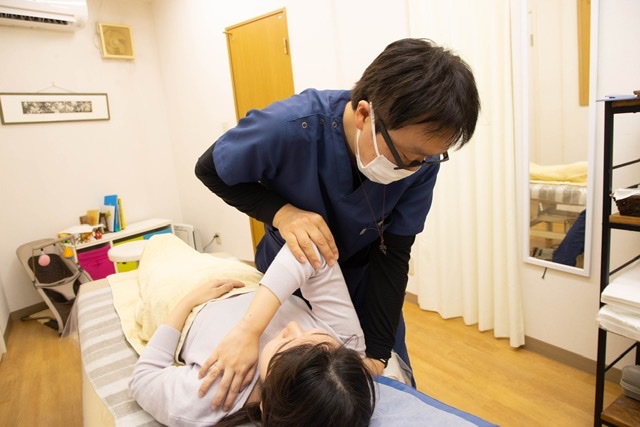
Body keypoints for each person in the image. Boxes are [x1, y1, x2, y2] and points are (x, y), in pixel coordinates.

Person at [195, 37, 480, 396]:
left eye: (428, 158)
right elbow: (210, 169)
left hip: (364, 280)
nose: (415, 169)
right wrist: (283, 213)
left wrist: (377, 353)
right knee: (296, 391)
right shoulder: (288, 126)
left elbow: (394, 252)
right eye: (408, 155)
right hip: (291, 273)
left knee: (389, 387)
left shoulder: (419, 161)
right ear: (364, 115)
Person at [130, 244, 375, 426]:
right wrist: (249, 328)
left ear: (265, 405)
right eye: (318, 339)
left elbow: (143, 378)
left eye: (287, 344)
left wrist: (186, 303)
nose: (292, 327)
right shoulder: (344, 343)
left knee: (158, 246)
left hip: (187, 295)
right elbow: (311, 251)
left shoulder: (212, 394)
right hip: (249, 282)